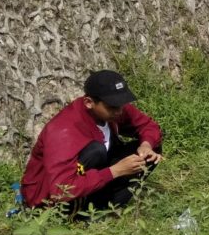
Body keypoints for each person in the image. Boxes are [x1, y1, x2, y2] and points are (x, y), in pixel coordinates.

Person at [21, 70, 163, 215]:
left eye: (121, 103)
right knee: (96, 151)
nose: (120, 111)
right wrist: (115, 171)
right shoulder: (63, 130)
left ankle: (105, 208)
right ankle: (74, 215)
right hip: (49, 199)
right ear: (89, 102)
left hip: (92, 174)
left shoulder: (113, 110)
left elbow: (149, 127)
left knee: (151, 152)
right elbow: (60, 190)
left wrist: (146, 145)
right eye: (113, 106)